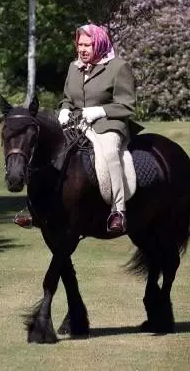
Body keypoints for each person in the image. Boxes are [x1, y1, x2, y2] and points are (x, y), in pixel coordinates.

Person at [56, 23, 138, 233]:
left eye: (87, 45)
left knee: (110, 153)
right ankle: (41, 207)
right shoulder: (73, 67)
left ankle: (118, 211)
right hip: (76, 124)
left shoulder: (118, 67)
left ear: (99, 44)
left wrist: (100, 111)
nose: (82, 49)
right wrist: (64, 110)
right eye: (80, 45)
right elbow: (67, 99)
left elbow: (127, 106)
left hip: (107, 124)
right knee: (49, 149)